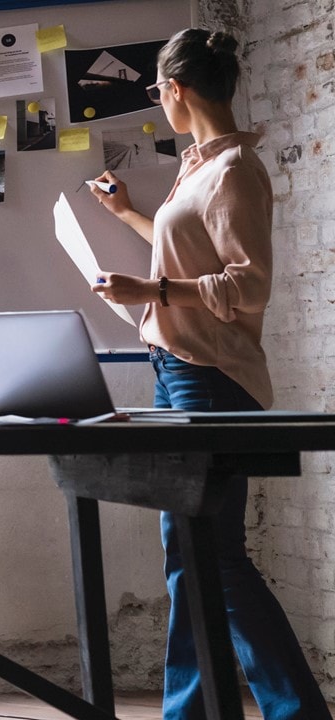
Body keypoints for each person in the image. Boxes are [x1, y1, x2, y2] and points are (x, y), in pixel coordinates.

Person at [90, 29, 331, 720]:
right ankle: (188, 711)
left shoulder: (233, 173)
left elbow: (247, 287)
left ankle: (298, 711)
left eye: (157, 90)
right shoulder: (198, 167)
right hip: (177, 369)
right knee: (187, 555)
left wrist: (154, 292)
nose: (159, 99)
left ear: (176, 90)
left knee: (214, 557)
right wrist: (127, 213)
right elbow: (187, 254)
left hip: (212, 376)